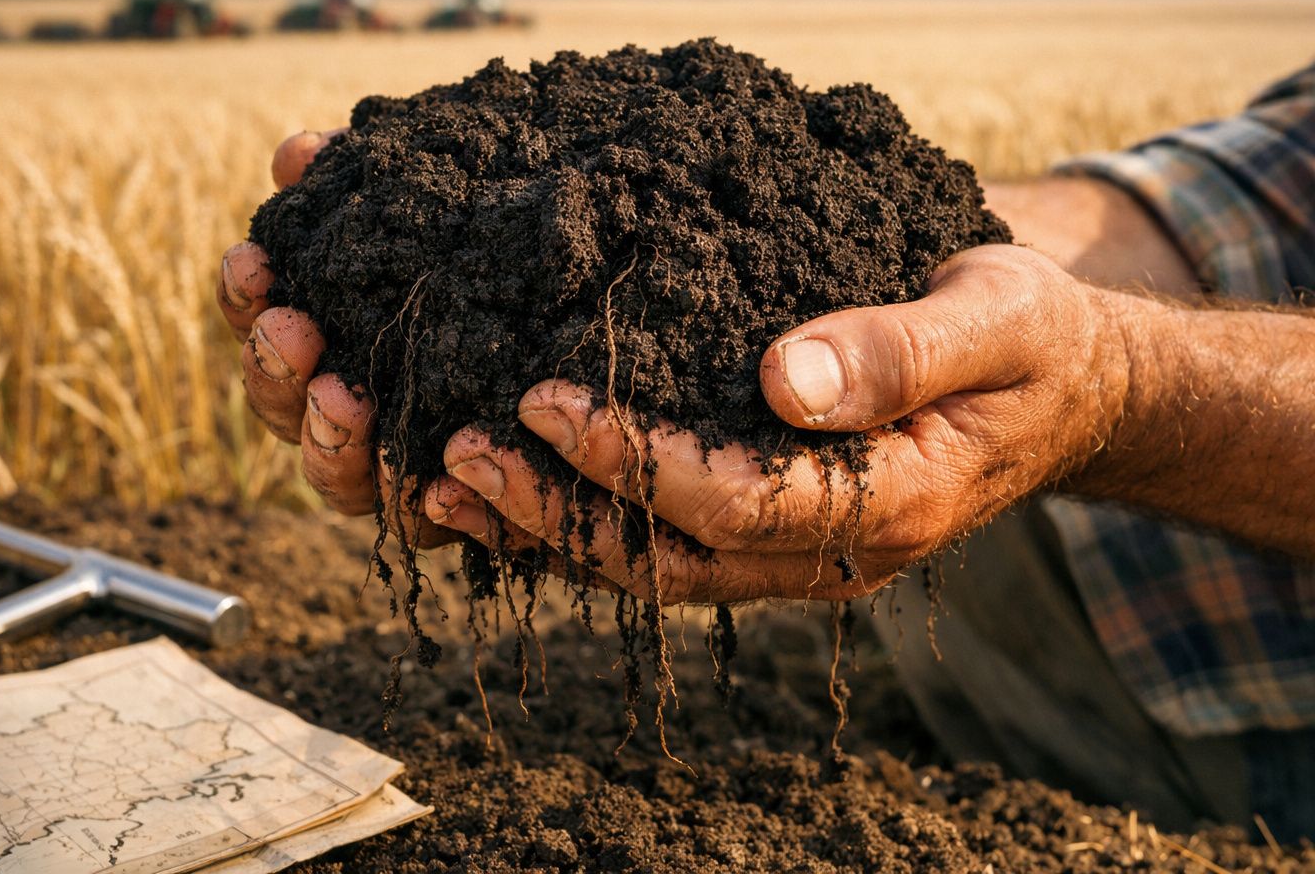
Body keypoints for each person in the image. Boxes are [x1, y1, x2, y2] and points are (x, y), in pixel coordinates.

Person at [217, 64, 1315, 838]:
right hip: (1034, 665)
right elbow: (1262, 185)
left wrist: (1119, 380)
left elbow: (1109, 354)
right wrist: (895, 231)